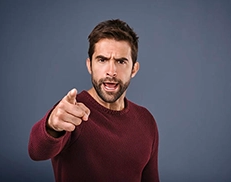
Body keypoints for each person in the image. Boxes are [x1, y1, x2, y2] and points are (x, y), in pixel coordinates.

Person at [28, 19, 159, 182]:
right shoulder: (71, 112)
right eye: (102, 60)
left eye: (121, 61)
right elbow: (37, 151)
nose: (111, 71)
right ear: (90, 65)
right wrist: (51, 126)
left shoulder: (146, 121)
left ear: (134, 69)